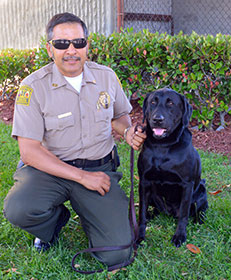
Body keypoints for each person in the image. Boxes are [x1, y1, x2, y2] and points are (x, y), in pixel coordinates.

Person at [3, 12, 146, 267]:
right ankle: (54, 221)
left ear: (87, 45)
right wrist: (81, 177)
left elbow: (119, 116)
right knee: (19, 208)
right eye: (61, 44)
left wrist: (127, 132)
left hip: (98, 168)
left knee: (116, 254)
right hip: (50, 170)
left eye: (78, 43)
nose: (71, 50)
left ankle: (91, 211)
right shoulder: (32, 87)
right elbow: (30, 152)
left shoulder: (106, 77)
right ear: (50, 49)